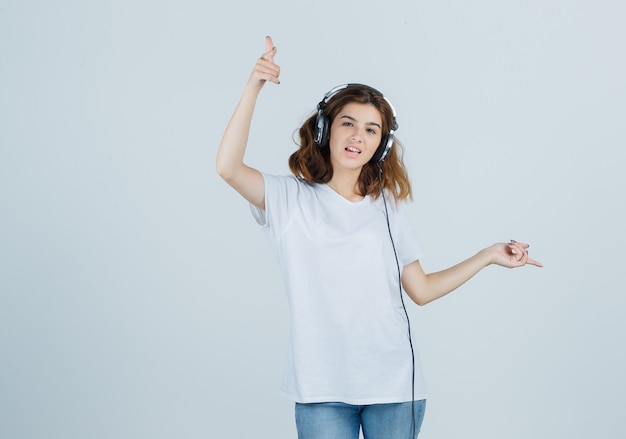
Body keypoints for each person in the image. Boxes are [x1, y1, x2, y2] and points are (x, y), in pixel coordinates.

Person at [216, 36, 542, 439]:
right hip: (321, 386)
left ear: (382, 144)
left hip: (394, 384)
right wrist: (254, 87)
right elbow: (228, 168)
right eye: (348, 123)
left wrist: (488, 255)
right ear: (325, 128)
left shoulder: (387, 205)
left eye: (372, 130)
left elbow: (420, 290)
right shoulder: (288, 198)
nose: (358, 137)